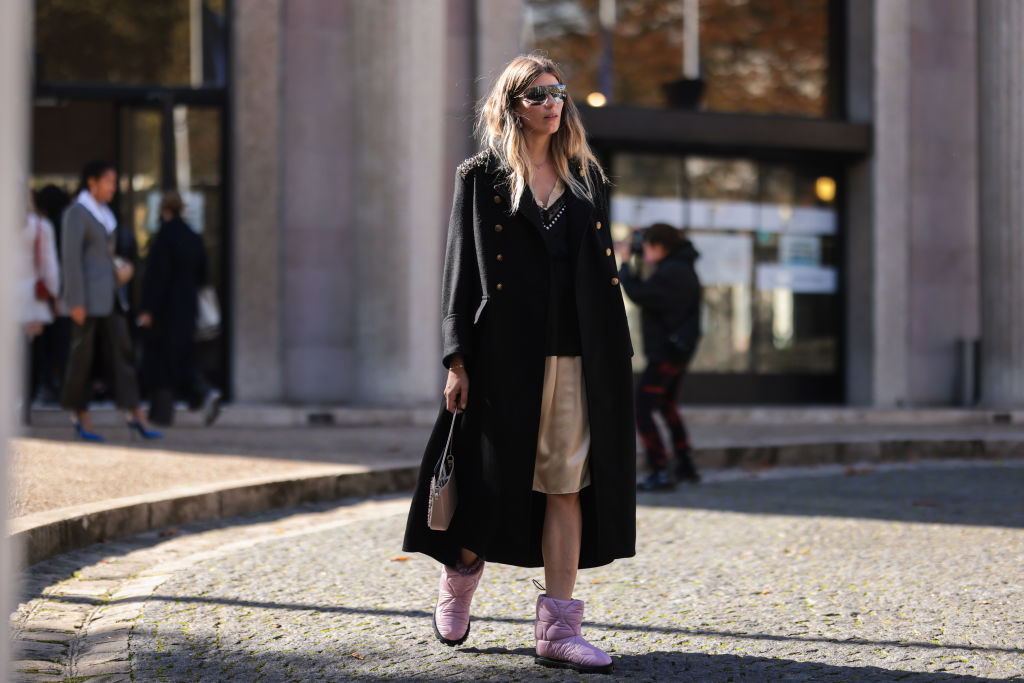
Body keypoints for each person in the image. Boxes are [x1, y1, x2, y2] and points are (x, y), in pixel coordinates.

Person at [402, 54, 636, 675]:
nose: (552, 103)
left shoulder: (586, 176)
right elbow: (460, 271)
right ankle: (460, 575)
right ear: (511, 106)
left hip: (577, 354)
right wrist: (457, 359)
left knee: (566, 487)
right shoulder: (480, 177)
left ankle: (558, 629)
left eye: (558, 93)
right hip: (501, 355)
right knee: (489, 483)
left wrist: (616, 356)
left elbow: (601, 270)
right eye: (538, 95)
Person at [59, 160, 162, 442]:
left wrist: (121, 271)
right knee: (82, 359)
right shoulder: (76, 213)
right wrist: (75, 301)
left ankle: (136, 413)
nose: (113, 188)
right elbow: (71, 260)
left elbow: (101, 258)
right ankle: (80, 416)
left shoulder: (105, 214)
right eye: (109, 182)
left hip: (111, 297)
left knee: (124, 354)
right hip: (86, 300)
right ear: (92, 182)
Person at [617, 223, 702, 491]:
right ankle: (685, 464)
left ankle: (660, 470)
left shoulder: (673, 272)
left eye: (648, 247)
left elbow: (640, 293)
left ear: (661, 247)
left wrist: (624, 264)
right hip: (677, 350)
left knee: (642, 409)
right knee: (667, 406)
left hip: (666, 352)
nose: (645, 252)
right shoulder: (681, 266)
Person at [138, 190, 221, 426]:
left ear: (164, 210)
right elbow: (203, 274)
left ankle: (165, 412)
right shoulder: (193, 237)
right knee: (182, 356)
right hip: (188, 306)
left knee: (161, 360)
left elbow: (157, 276)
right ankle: (202, 394)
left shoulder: (164, 237)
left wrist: (147, 308)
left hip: (165, 308)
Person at [17, 192, 61, 422]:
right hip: (29, 299)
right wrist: (55, 294)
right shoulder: (40, 227)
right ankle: (24, 406)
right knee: (30, 356)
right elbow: (48, 265)